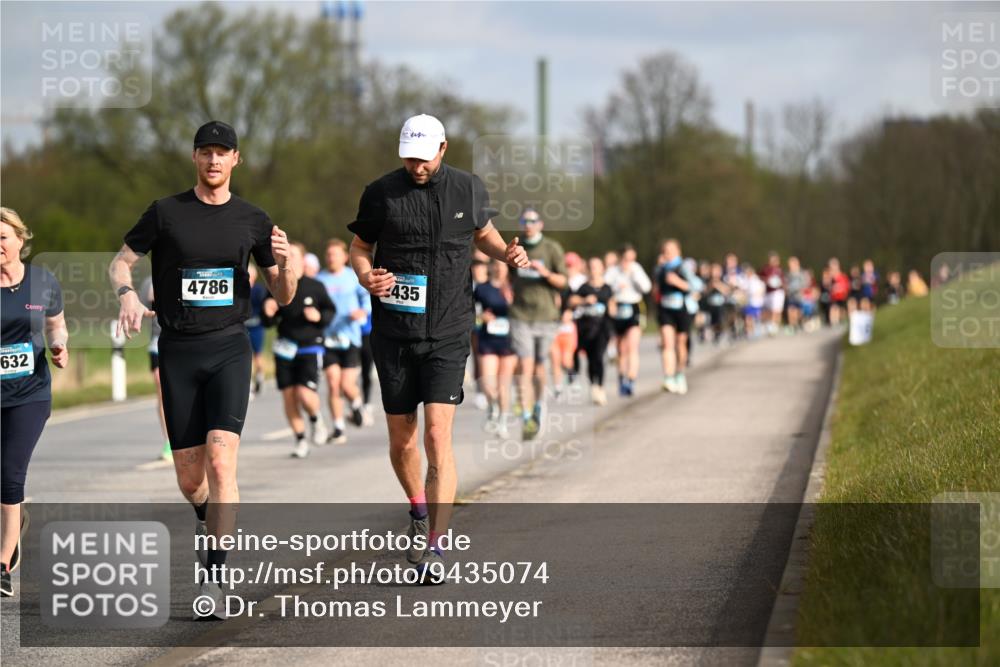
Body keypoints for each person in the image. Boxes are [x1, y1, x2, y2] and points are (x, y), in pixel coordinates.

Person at [110, 121, 295, 618]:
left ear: (236, 159)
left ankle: (214, 575)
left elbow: (283, 294)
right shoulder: (166, 212)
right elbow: (120, 263)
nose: (214, 160)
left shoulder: (253, 219)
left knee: (220, 463)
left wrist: (285, 262)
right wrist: (127, 293)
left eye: (223, 153)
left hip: (230, 348)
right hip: (178, 351)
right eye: (206, 152)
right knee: (192, 479)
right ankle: (206, 517)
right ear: (195, 157)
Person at [348, 114, 529, 583]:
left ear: (443, 149)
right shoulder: (381, 192)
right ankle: (418, 509)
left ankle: (435, 546)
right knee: (402, 439)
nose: (417, 166)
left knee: (436, 437)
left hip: (449, 330)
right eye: (409, 156)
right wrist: (366, 275)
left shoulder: (467, 189)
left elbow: (482, 234)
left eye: (424, 157)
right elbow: (359, 247)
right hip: (393, 333)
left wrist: (506, 253)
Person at [1, 207, 69, 598]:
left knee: (10, 473)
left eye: (3, 237)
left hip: (30, 393)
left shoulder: (43, 282)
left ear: (20, 240)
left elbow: (56, 325)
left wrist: (60, 348)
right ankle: (14, 524)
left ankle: (2, 564)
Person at [261, 242, 335, 458]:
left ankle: (315, 419)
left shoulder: (315, 286)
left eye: (292, 254)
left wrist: (320, 317)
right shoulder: (275, 285)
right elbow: (268, 322)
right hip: (285, 346)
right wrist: (268, 311)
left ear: (303, 259)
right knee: (289, 397)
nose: (288, 257)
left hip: (309, 345)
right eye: (285, 254)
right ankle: (301, 439)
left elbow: (330, 310)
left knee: (304, 392)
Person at [508, 207, 568, 440]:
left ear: (541, 224)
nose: (529, 224)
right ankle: (525, 415)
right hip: (520, 314)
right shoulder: (516, 246)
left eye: (533, 220)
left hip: (546, 316)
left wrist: (545, 273)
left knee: (540, 366)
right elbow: (506, 275)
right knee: (525, 364)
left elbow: (563, 281)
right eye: (525, 220)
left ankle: (539, 406)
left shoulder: (552, 248)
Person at [316, 238, 371, 444]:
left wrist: (362, 311)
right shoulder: (320, 279)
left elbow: (367, 299)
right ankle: (338, 427)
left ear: (344, 257)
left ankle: (356, 404)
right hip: (327, 338)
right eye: (328, 255)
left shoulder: (352, 277)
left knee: (347, 385)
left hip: (350, 337)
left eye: (334, 254)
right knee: (333, 382)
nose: (331, 258)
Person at [474, 259, 517, 436]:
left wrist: (512, 303)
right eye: (496, 266)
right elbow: (470, 311)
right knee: (487, 383)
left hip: (510, 340)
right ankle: (492, 406)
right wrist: (481, 316)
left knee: (503, 385)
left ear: (507, 269)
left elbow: (525, 311)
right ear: (490, 268)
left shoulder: (513, 288)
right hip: (488, 338)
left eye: (502, 266)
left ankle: (503, 422)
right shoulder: (482, 288)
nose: (499, 269)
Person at [605, 244, 651, 396]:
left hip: (633, 307)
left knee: (632, 346)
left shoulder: (636, 269)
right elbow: (605, 288)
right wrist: (616, 289)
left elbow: (646, 287)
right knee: (621, 349)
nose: (628, 262)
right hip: (618, 308)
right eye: (626, 259)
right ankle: (621, 377)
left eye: (631, 259)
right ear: (621, 258)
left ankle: (631, 379)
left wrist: (633, 275)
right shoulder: (613, 271)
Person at [570, 256, 615, 405]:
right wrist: (584, 301)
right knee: (590, 358)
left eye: (597, 266)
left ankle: (600, 387)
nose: (594, 269)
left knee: (599, 357)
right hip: (586, 328)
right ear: (588, 269)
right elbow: (572, 301)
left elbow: (613, 307)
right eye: (592, 267)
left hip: (603, 328)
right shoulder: (584, 288)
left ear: (602, 269)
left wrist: (613, 307)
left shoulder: (607, 288)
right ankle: (593, 385)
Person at [654, 239, 693, 394]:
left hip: (681, 308)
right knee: (667, 343)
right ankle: (668, 377)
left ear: (678, 251)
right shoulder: (660, 269)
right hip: (665, 309)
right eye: (665, 250)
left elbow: (695, 286)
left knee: (680, 343)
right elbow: (655, 289)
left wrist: (678, 282)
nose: (668, 253)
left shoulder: (684, 267)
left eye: (671, 250)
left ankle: (679, 374)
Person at [139, 276, 171, 461]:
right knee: (161, 386)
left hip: (180, 340)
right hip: (156, 342)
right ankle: (168, 441)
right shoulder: (149, 280)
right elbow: (140, 307)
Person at [246, 264, 268, 396]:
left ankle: (260, 376)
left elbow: (264, 307)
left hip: (257, 327)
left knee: (257, 355)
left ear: (254, 276)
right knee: (246, 355)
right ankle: (248, 384)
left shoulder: (259, 290)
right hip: (244, 327)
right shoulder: (239, 290)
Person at [760, 251, 785, 337]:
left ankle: (774, 327)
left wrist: (781, 284)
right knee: (767, 311)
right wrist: (766, 280)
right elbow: (761, 278)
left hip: (777, 292)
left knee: (776, 310)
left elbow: (783, 281)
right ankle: (768, 326)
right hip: (768, 292)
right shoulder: (765, 269)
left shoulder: (780, 270)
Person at [785, 256, 807, 332]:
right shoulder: (788, 274)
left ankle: (799, 323)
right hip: (791, 295)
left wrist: (801, 290)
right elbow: (786, 283)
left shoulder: (801, 273)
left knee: (798, 312)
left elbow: (804, 283)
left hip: (799, 295)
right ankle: (792, 326)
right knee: (790, 310)